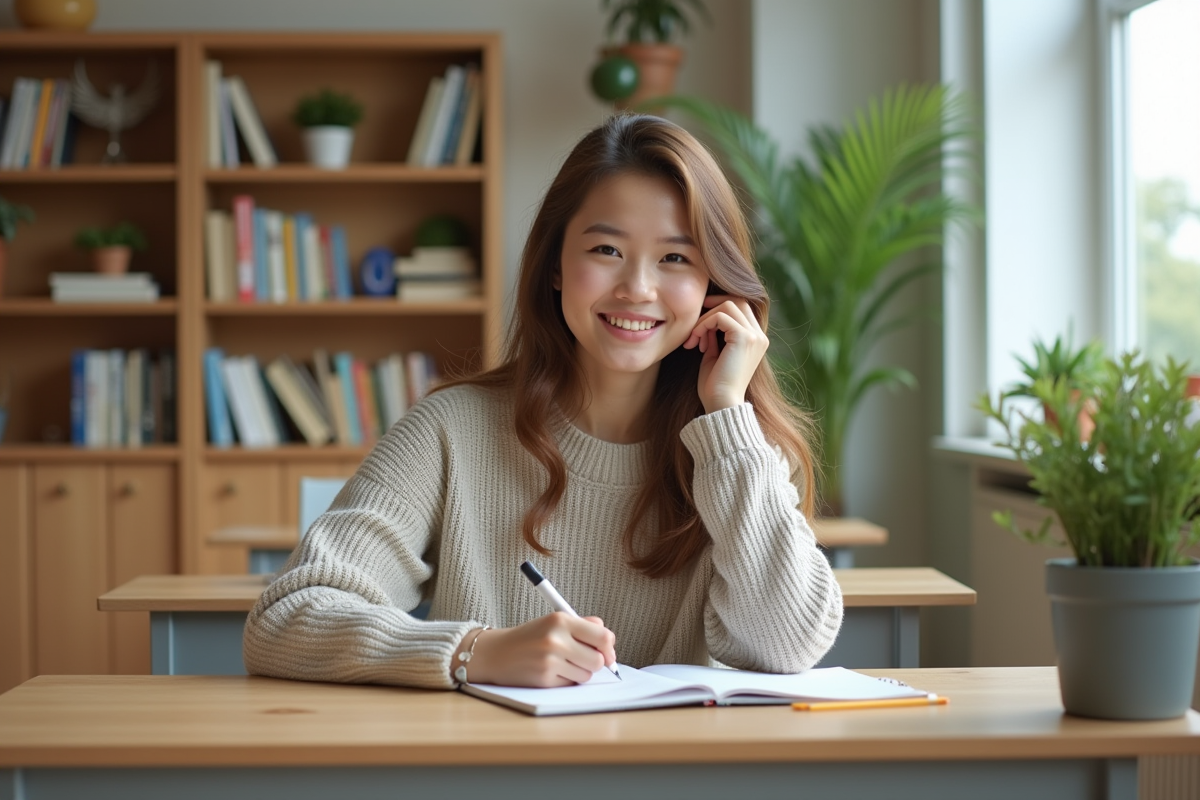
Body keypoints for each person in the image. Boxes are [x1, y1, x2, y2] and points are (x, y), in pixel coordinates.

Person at [243, 114, 843, 689]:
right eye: (606, 250)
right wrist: (474, 651)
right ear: (555, 264)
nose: (637, 288)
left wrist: (728, 417)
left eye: (675, 258)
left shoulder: (742, 450)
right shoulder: (451, 430)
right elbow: (285, 618)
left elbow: (786, 645)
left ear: (714, 284)